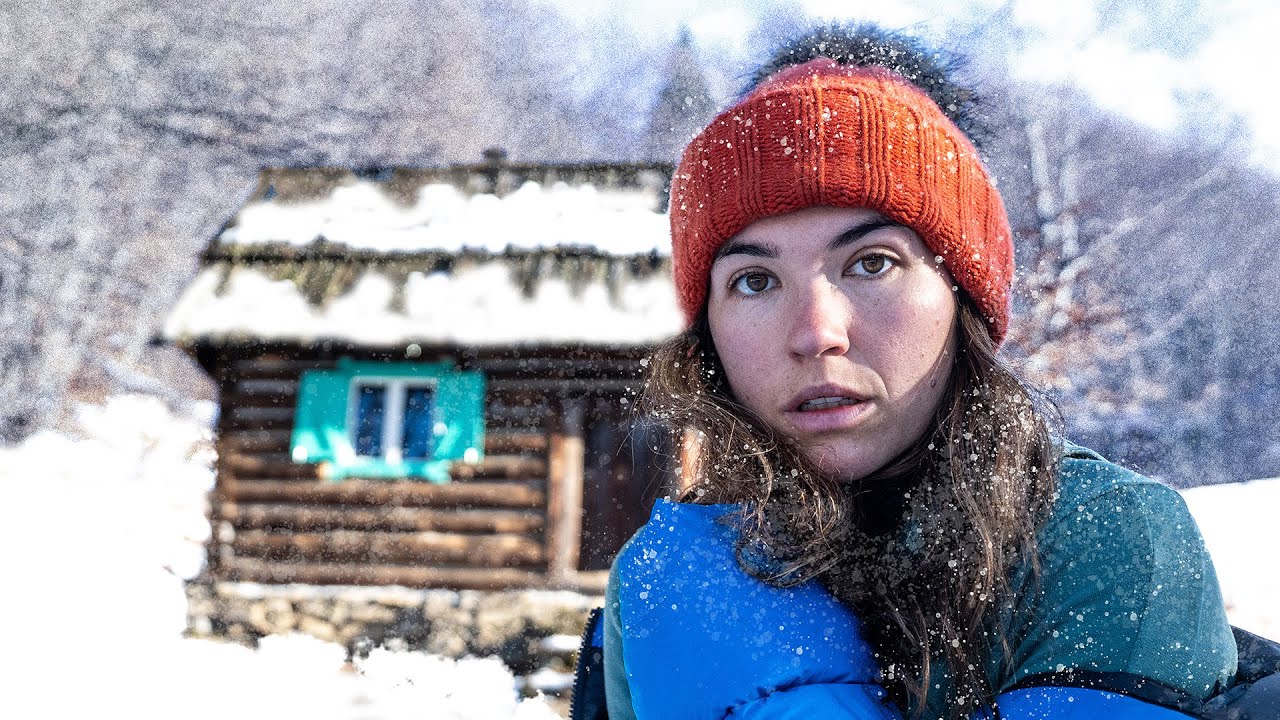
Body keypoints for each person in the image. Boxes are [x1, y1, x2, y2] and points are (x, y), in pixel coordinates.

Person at [570, 24, 1280, 720]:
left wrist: (781, 699)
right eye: (754, 281)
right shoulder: (666, 580)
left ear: (964, 298)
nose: (817, 332)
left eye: (872, 263)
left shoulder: (1104, 537)